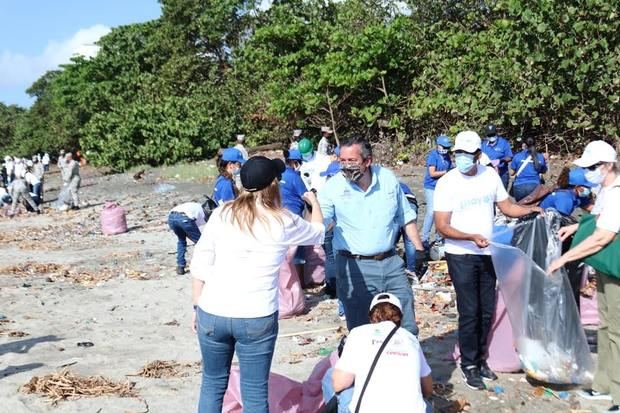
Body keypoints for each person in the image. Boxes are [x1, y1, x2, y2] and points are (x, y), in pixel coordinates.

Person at [190, 156, 325, 413]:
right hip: (255, 315)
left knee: (212, 383)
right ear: (274, 184)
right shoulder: (283, 220)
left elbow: (201, 262)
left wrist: (197, 305)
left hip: (212, 310)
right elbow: (318, 232)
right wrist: (314, 203)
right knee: (254, 391)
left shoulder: (221, 213)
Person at [434, 130, 543, 390]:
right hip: (461, 254)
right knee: (469, 311)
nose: (461, 158)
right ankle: (469, 364)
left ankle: (482, 359)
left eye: (467, 154)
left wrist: (531, 210)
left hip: (487, 252)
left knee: (486, 310)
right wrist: (470, 236)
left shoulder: (490, 176)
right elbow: (442, 225)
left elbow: (506, 207)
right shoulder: (447, 183)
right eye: (457, 154)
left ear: (478, 155)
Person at [319, 136, 426, 336]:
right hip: (355, 267)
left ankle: (407, 362)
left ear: (367, 161)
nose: (346, 166)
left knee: (406, 324)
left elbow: (406, 216)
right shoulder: (333, 187)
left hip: (391, 263)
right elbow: (320, 220)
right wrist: (315, 217)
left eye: (352, 161)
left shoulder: (387, 179)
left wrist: (419, 250)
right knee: (361, 330)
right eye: (342, 160)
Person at [547, 140, 619, 413]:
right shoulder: (605, 189)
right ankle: (604, 385)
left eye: (591, 167)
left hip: (616, 267)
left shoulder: (617, 192)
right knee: (605, 326)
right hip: (606, 267)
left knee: (618, 331)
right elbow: (598, 220)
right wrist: (575, 227)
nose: (587, 172)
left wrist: (564, 258)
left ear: (606, 166)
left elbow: (603, 236)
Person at [323, 293, 433, 413]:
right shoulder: (410, 339)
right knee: (425, 404)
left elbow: (339, 384)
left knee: (330, 377)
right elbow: (427, 389)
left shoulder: (358, 333)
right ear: (400, 318)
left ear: (371, 317)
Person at [422, 134, 453, 250]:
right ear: (438, 145)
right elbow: (432, 173)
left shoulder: (447, 157)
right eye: (444, 147)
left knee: (442, 213)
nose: (445, 149)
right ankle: (425, 239)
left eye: (447, 147)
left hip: (442, 188)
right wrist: (446, 172)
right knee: (431, 212)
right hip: (431, 187)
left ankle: (439, 238)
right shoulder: (433, 156)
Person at [168, 202, 207, 275]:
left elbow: (189, 232)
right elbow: (190, 230)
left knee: (181, 241)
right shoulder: (203, 215)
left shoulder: (197, 206)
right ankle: (204, 264)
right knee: (202, 243)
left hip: (171, 218)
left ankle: (180, 266)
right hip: (185, 218)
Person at [510, 137, 547, 201]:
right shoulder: (540, 157)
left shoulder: (517, 156)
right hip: (534, 186)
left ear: (524, 145)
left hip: (519, 186)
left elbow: (512, 172)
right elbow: (544, 171)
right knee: (534, 208)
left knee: (521, 207)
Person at [481, 124, 513, 189]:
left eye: (493, 134)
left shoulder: (504, 143)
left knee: (502, 194)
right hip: (488, 174)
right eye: (489, 135)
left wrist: (501, 160)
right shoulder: (483, 145)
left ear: (496, 133)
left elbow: (510, 156)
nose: (491, 136)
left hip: (502, 173)